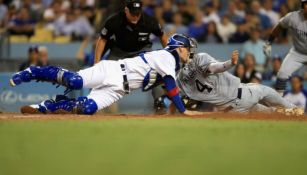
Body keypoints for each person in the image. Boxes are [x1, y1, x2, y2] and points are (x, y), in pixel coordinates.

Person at [10, 34, 202, 116]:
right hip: (112, 71)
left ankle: (47, 106)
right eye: (187, 49)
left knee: (85, 109)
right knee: (75, 81)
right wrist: (183, 110)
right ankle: (32, 71)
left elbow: (170, 90)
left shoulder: (171, 64)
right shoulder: (167, 56)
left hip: (119, 90)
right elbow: (169, 85)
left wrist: (176, 105)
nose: (189, 53)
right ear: (179, 48)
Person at [175, 39, 303, 115]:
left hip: (232, 110)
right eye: (188, 47)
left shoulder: (181, 78)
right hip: (242, 94)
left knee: (272, 113)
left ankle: (286, 112)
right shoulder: (199, 58)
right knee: (268, 92)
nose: (191, 49)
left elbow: (185, 99)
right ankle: (295, 110)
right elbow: (215, 67)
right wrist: (230, 63)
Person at [95, 0, 168, 113]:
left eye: (137, 14)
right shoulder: (114, 21)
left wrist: (167, 55)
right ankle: (98, 103)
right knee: (104, 73)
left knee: (156, 71)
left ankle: (159, 102)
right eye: (132, 14)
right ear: (126, 10)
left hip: (142, 50)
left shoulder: (149, 21)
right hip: (119, 51)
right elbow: (102, 40)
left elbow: (162, 36)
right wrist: (97, 62)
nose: (135, 16)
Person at [264, 0, 307, 96]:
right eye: (306, 4)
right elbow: (279, 26)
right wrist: (269, 42)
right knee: (282, 74)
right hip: (297, 53)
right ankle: (278, 103)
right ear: (302, 5)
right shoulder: (293, 17)